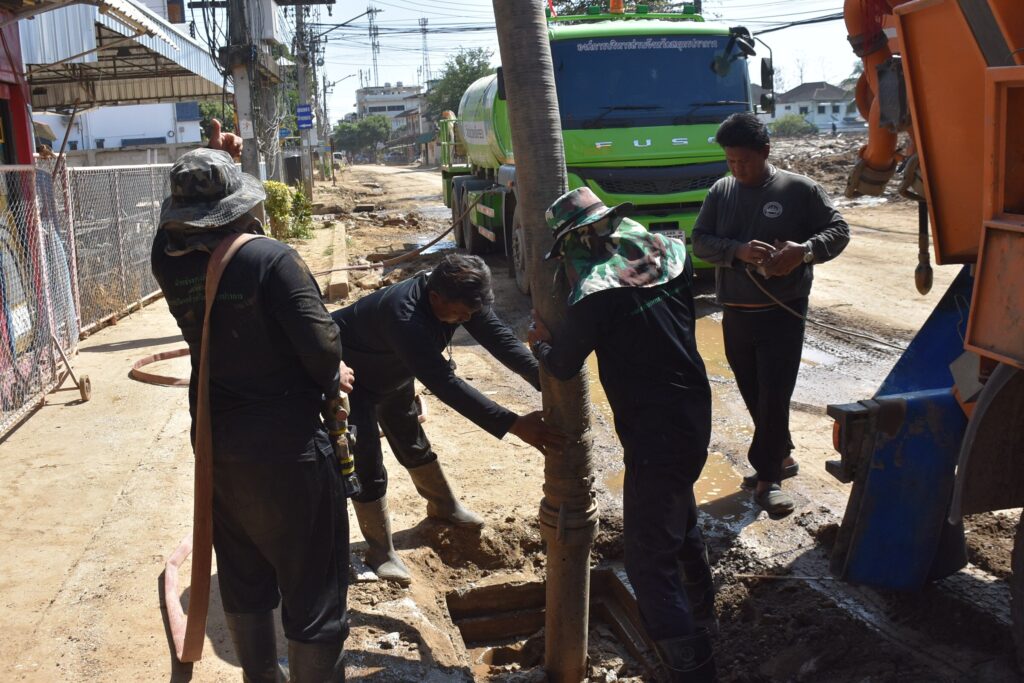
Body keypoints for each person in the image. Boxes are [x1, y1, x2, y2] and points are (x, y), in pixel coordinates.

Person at [151, 148, 351, 682]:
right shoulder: (270, 260)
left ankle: (260, 676)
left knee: (241, 568)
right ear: (240, 204)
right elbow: (323, 349)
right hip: (288, 447)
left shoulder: (164, 256)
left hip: (215, 440)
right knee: (314, 586)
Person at [527, 187, 716, 682]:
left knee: (647, 558)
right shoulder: (672, 256)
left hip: (654, 431)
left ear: (580, 242)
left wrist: (541, 346)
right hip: (694, 411)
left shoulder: (595, 297)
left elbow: (564, 365)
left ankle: (693, 671)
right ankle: (706, 621)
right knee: (680, 516)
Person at [332, 254, 564, 585]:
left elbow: (498, 339)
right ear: (435, 298)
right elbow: (446, 384)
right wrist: (515, 424)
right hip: (354, 379)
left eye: (471, 314)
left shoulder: (459, 300)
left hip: (394, 371)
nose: (465, 319)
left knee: (411, 439)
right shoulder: (405, 317)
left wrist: (543, 380)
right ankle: (381, 551)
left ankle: (443, 506)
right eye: (459, 314)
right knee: (368, 460)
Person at [692, 112, 850, 517]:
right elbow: (701, 242)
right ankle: (780, 457)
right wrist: (739, 251)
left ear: (765, 151)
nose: (737, 168)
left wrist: (804, 251)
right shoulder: (721, 192)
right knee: (754, 393)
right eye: (730, 161)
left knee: (774, 396)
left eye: (744, 160)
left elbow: (838, 230)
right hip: (737, 314)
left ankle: (768, 481)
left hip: (782, 313)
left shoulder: (799, 189)